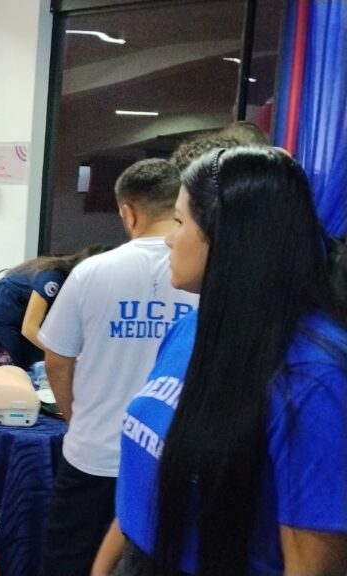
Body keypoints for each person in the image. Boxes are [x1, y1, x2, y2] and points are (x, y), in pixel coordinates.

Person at [93, 147, 347, 575]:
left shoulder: (315, 377)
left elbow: (312, 564)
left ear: (228, 235)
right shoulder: (193, 327)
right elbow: (148, 483)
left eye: (178, 221)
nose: (170, 238)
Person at [37, 158, 198, 576]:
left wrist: (77, 418)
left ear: (128, 211)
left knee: (70, 562)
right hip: (171, 459)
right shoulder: (204, 277)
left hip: (95, 454)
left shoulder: (92, 271)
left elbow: (56, 359)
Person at [0, 244, 109, 371]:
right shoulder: (54, 278)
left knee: (39, 366)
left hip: (19, 322)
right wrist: (65, 354)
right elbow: (29, 328)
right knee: (12, 372)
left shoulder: (82, 288)